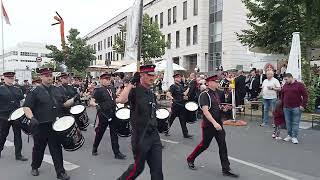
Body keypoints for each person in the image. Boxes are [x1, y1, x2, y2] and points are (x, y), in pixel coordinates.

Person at [23, 67, 76, 180]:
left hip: (55, 125)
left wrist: (74, 100)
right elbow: (26, 107)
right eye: (46, 76)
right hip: (40, 126)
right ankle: (35, 166)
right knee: (39, 148)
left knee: (56, 148)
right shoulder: (34, 91)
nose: (49, 77)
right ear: (41, 77)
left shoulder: (57, 90)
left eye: (50, 75)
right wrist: (31, 118)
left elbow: (64, 104)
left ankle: (60, 172)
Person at [186, 75, 239, 178]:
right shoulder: (204, 95)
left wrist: (224, 109)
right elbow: (205, 111)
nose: (217, 83)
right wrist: (214, 123)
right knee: (204, 145)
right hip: (209, 125)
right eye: (215, 81)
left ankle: (226, 169)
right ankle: (190, 158)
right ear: (209, 83)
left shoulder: (217, 93)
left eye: (217, 81)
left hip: (219, 124)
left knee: (223, 146)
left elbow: (216, 108)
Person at [117, 65, 163, 180]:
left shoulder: (151, 93)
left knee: (157, 172)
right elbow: (121, 100)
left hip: (154, 136)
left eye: (153, 75)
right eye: (149, 75)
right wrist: (130, 84)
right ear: (141, 76)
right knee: (138, 168)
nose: (152, 78)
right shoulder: (134, 91)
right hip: (140, 137)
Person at [89, 73, 126, 160]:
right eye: (106, 79)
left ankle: (117, 153)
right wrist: (95, 105)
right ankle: (95, 147)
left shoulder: (111, 88)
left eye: (109, 79)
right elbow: (91, 101)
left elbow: (113, 98)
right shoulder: (98, 90)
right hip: (103, 114)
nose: (108, 80)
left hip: (112, 113)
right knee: (100, 132)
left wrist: (120, 91)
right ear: (101, 80)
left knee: (114, 133)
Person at [0, 72, 28, 161]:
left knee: (18, 135)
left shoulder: (17, 89)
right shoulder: (0, 89)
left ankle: (18, 154)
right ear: (4, 78)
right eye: (9, 78)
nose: (11, 79)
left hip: (16, 116)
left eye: (12, 78)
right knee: (2, 135)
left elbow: (22, 101)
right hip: (4, 116)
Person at [281, 73, 308, 144]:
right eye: (284, 79)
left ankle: (294, 137)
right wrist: (282, 105)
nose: (285, 81)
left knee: (295, 123)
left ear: (291, 78)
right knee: (288, 122)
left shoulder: (299, 85)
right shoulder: (285, 85)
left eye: (286, 79)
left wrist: (303, 105)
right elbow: (282, 95)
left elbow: (305, 96)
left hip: (296, 107)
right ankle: (289, 135)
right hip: (286, 107)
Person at [166, 73, 193, 138]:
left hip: (182, 105)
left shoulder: (181, 86)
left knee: (183, 120)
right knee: (171, 119)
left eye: (180, 77)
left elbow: (184, 94)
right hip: (176, 105)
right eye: (178, 77)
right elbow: (168, 93)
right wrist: (173, 99)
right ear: (175, 79)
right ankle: (166, 130)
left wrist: (189, 88)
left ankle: (185, 134)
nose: (180, 78)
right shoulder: (173, 86)